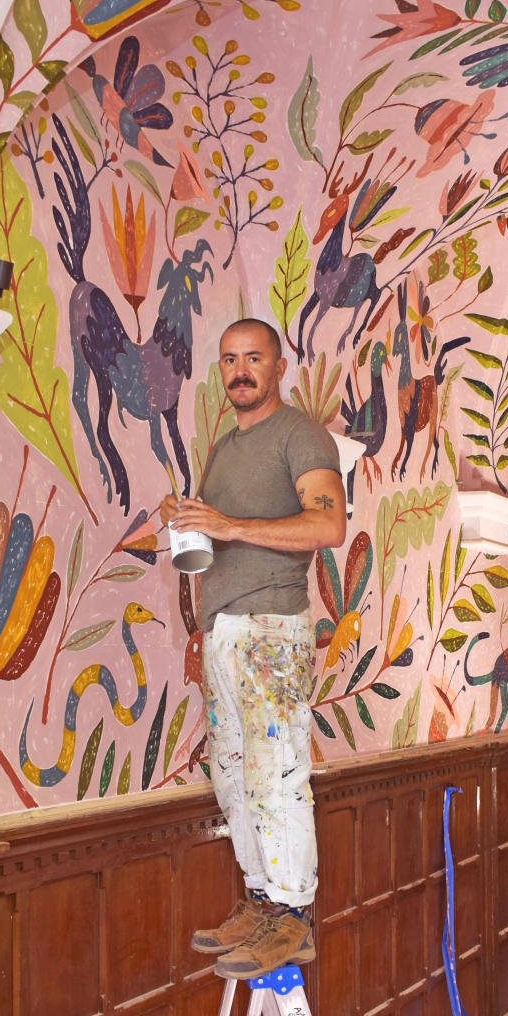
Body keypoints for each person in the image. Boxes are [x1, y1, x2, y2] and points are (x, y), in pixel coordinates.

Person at [161, 318, 346, 978]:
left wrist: (230, 523)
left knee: (275, 768)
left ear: (278, 366)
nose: (240, 371)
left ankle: (294, 916)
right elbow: (222, 539)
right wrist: (189, 522)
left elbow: (329, 523)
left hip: (272, 627)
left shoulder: (300, 434)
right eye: (230, 360)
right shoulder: (224, 449)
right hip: (225, 632)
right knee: (234, 773)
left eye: (253, 359)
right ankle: (262, 899)